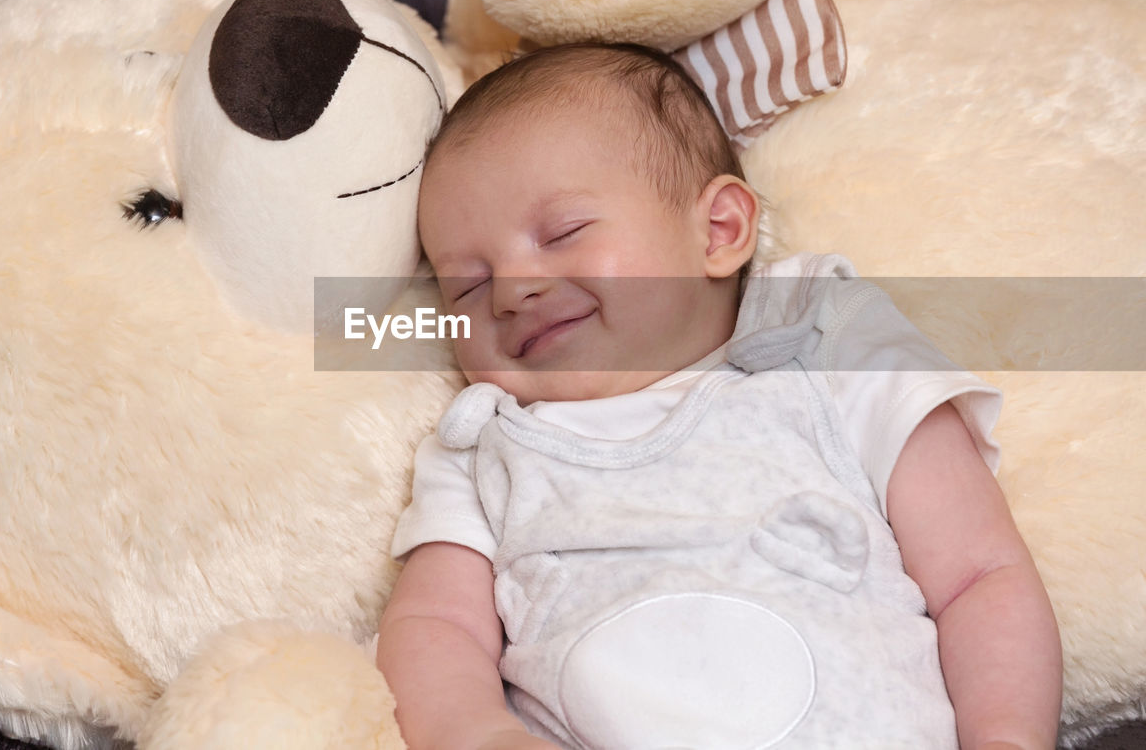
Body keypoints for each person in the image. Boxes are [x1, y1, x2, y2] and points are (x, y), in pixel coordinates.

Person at [376, 42, 1061, 750]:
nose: (515, 290)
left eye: (564, 233)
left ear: (719, 230)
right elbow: (434, 625)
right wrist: (479, 732)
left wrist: (1006, 734)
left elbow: (978, 573)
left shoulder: (820, 343)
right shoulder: (484, 447)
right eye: (468, 284)